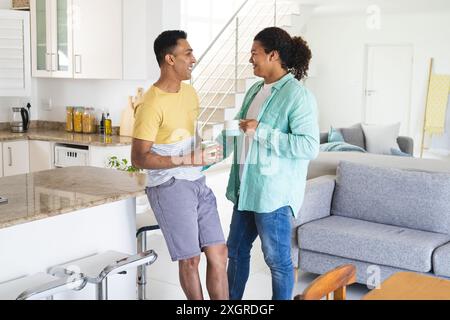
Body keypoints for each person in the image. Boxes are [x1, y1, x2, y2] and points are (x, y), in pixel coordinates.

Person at [131, 30, 228, 300]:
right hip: (169, 186)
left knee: (219, 252)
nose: (194, 58)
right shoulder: (150, 104)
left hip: (197, 181)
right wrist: (188, 158)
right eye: (188, 53)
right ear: (170, 59)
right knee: (191, 260)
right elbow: (139, 158)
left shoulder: (190, 93)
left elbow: (187, 138)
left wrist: (204, 150)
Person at [224, 27, 320, 300]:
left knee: (277, 261)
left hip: (273, 196)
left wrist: (261, 131)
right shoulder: (256, 89)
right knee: (237, 251)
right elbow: (239, 131)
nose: (250, 59)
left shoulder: (297, 96)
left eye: (255, 53)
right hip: (246, 190)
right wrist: (202, 157)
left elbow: (308, 146)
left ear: (273, 55)